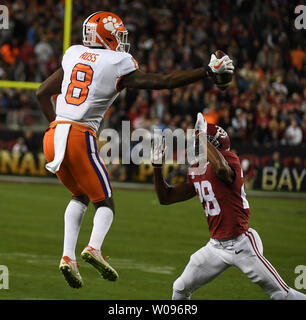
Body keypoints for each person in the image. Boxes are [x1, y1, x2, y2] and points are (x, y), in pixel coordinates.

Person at [36, 11, 234, 289]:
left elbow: (41, 93)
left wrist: (57, 128)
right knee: (105, 202)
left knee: (78, 196)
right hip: (80, 135)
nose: (120, 41)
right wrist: (205, 71)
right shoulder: (117, 62)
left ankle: (67, 257)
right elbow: (163, 82)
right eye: (117, 36)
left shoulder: (73, 54)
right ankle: (93, 248)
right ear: (104, 36)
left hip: (53, 134)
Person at [151, 113, 306, 300]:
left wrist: (201, 136)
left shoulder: (229, 159)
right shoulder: (198, 169)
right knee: (180, 288)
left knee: (281, 294)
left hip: (242, 243)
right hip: (216, 246)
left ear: (212, 145)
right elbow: (166, 198)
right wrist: (157, 167)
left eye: (200, 141)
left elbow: (222, 169)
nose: (196, 145)